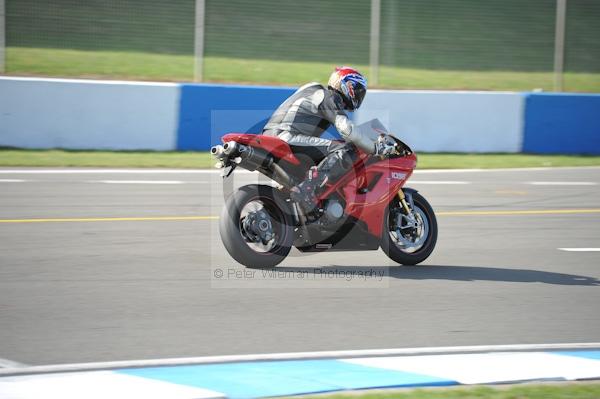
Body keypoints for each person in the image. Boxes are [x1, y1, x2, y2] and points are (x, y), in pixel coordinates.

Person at [262, 66, 374, 213]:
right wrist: (374, 147)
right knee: (346, 150)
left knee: (326, 155)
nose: (359, 97)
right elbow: (347, 129)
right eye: (358, 91)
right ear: (348, 86)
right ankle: (307, 188)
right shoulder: (329, 97)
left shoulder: (311, 90)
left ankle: (290, 201)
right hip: (286, 137)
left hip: (269, 135)